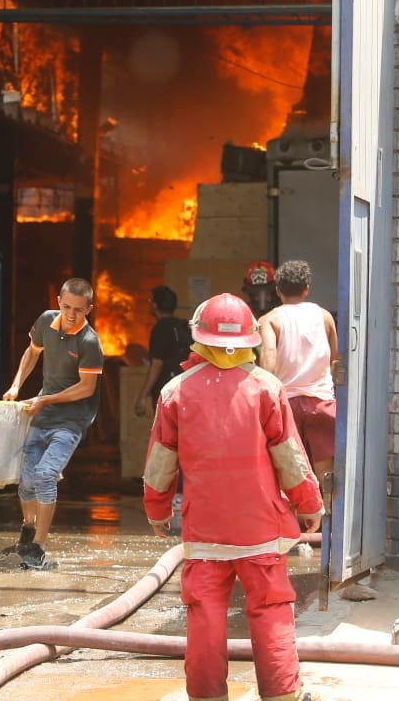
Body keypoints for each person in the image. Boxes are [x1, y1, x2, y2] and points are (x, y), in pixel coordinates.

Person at [144, 293, 324, 701]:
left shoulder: (175, 392)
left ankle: (207, 696)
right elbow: (290, 457)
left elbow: (160, 463)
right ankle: (283, 695)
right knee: (270, 610)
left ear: (199, 338)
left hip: (206, 531)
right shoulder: (267, 388)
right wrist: (309, 504)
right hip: (259, 529)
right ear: (249, 341)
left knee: (205, 618)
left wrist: (157, 510)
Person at [2, 277, 104, 570]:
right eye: (67, 307)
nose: (71, 315)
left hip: (70, 422)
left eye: (79, 310)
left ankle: (38, 546)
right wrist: (16, 385)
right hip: (43, 416)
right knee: (26, 482)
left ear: (89, 309)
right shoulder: (47, 321)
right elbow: (32, 353)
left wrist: (44, 400)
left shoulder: (89, 342)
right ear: (58, 301)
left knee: (46, 475)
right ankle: (28, 525)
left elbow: (86, 388)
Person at [258, 259, 339, 479]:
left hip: (287, 405)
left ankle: (294, 513)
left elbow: (268, 361)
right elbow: (335, 361)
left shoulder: (270, 320)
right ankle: (328, 510)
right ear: (307, 289)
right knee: (325, 474)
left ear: (278, 290)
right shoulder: (325, 317)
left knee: (290, 474)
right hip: (321, 403)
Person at [133, 284, 192, 418]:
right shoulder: (182, 325)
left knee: (165, 434)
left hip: (166, 392)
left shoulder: (160, 328)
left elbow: (157, 364)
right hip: (184, 390)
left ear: (155, 305)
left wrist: (143, 396)